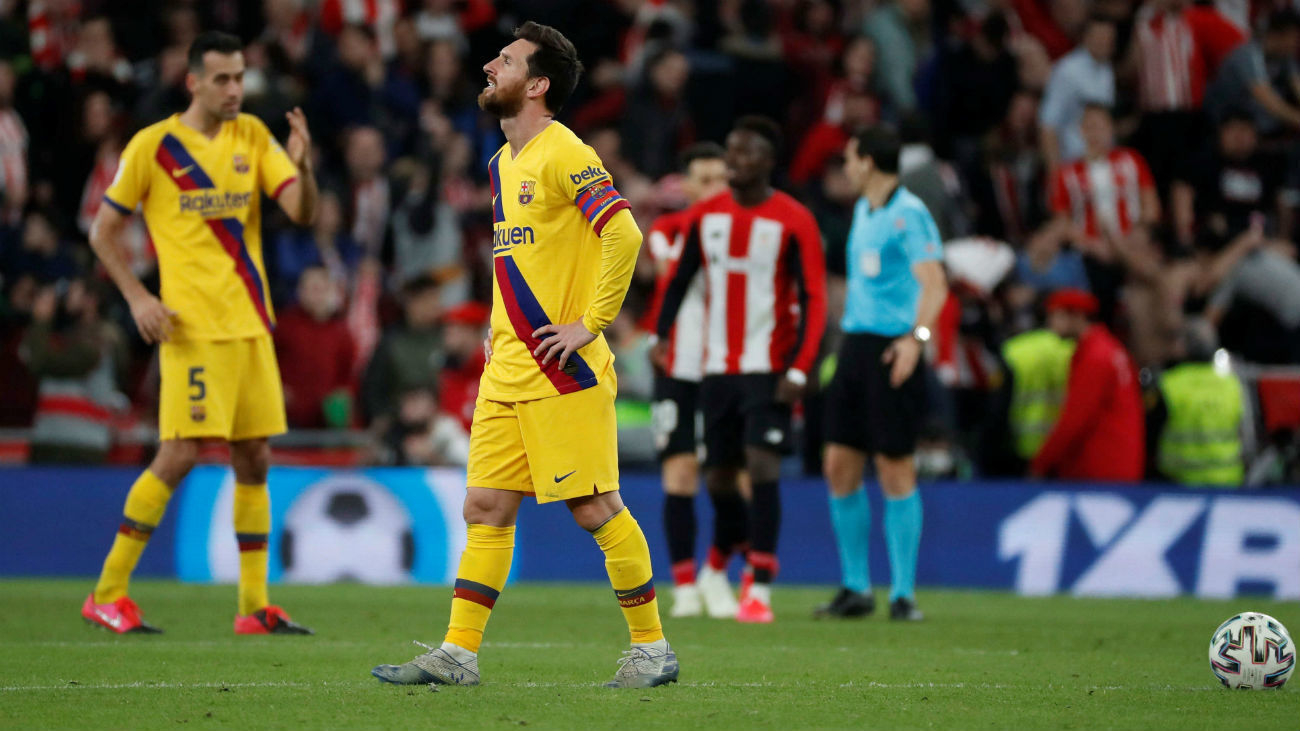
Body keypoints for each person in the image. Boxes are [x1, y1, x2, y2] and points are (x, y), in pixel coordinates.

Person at [371, 22, 676, 689]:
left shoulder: (565, 151)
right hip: (506, 367)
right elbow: (522, 259)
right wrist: (494, 325)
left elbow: (624, 233)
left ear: (536, 85)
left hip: (560, 371)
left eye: (504, 61)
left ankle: (653, 649)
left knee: (595, 506)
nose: (488, 66)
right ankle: (458, 653)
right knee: (484, 505)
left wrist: (591, 324)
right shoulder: (501, 163)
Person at [81, 31, 318, 635]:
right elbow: (102, 233)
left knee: (255, 458)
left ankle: (253, 606)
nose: (235, 88)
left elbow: (302, 212)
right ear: (193, 82)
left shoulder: (254, 137)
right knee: (180, 453)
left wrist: (306, 168)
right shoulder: (153, 147)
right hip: (191, 329)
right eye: (222, 79)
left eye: (240, 77)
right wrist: (137, 298)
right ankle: (107, 593)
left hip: (251, 326)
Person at [654, 116, 828, 624]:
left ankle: (761, 587)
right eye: (731, 151)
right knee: (721, 479)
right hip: (715, 369)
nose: (735, 161)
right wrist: (660, 335)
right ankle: (721, 566)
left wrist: (801, 365)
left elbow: (814, 296)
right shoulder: (706, 216)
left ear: (768, 161)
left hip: (768, 367)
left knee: (763, 467)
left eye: (746, 153)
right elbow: (681, 277)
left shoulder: (793, 220)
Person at [815, 125, 947, 621]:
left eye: (850, 158)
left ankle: (904, 594)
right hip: (855, 348)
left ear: (868, 161)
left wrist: (916, 341)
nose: (846, 168)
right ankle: (855, 588)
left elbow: (935, 285)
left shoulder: (908, 214)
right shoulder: (863, 210)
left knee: (895, 465)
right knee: (838, 465)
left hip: (894, 348)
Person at [644, 141, 748, 619]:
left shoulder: (748, 230)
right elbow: (674, 274)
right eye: (704, 181)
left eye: (722, 180)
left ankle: (716, 571)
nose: (714, 190)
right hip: (677, 368)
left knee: (732, 478)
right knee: (681, 473)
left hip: (730, 367)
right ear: (684, 186)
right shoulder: (668, 231)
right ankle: (684, 584)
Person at [1029, 289, 1145, 482]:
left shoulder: (1094, 357)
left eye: (1055, 315)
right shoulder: (1110, 348)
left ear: (1076, 315)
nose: (1050, 323)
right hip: (1118, 464)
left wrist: (1040, 464)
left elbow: (1074, 419)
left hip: (1099, 468)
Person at [1149, 320, 1245, 486]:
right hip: (1229, 483)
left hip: (1179, 485)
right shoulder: (1233, 384)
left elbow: (1151, 435)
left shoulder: (1168, 385)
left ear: (1183, 347)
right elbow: (1244, 434)